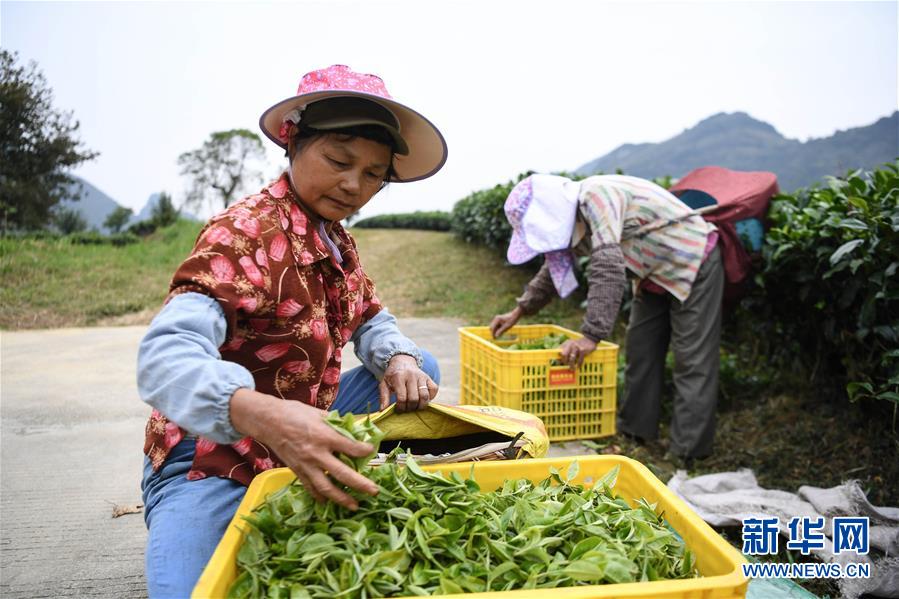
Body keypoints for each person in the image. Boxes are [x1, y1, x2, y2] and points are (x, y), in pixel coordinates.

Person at [137, 64, 448, 597]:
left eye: (374, 174)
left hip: (301, 428)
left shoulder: (336, 241)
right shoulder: (243, 234)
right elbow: (165, 357)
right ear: (294, 144)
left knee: (418, 369)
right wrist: (266, 415)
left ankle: (319, 464)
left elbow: (371, 317)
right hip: (214, 456)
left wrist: (396, 357)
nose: (354, 185)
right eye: (338, 161)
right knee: (190, 591)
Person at [490, 173, 723, 464]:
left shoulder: (597, 196)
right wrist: (519, 310)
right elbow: (555, 265)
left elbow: (608, 264)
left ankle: (689, 452)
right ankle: (635, 433)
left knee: (692, 359)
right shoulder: (571, 220)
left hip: (691, 261)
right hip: (650, 272)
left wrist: (591, 334)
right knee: (641, 351)